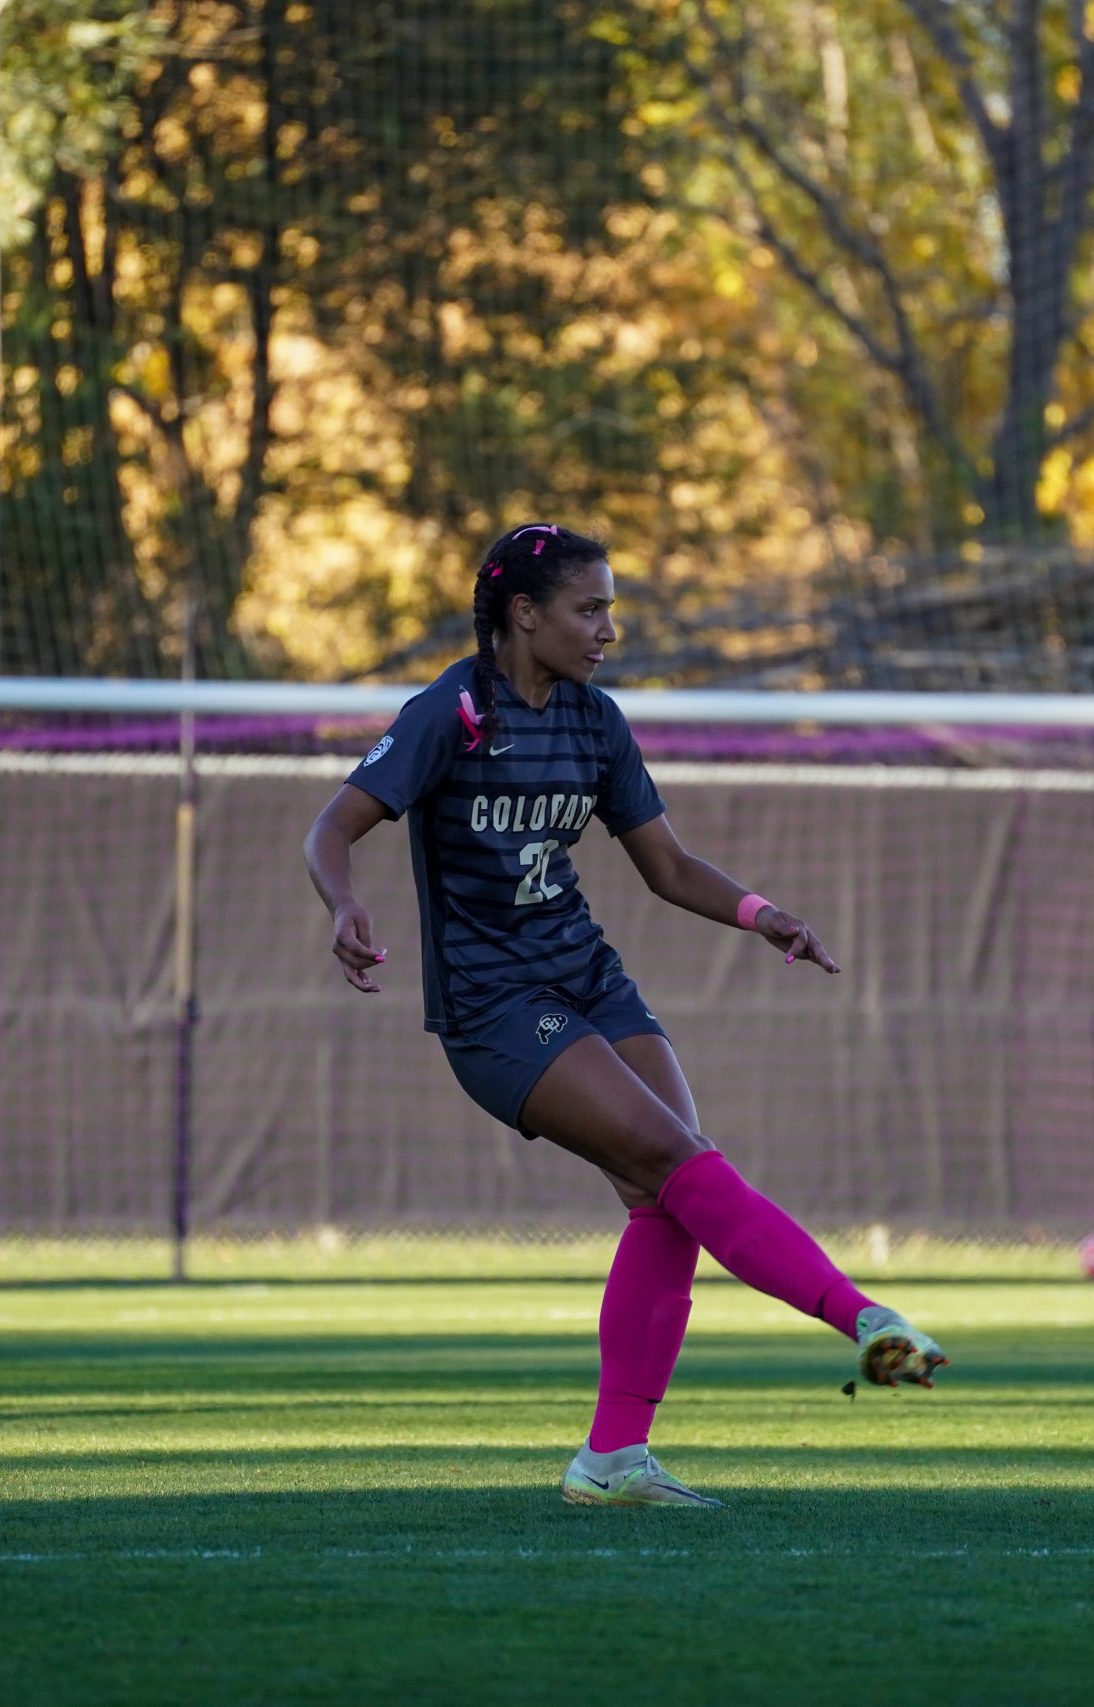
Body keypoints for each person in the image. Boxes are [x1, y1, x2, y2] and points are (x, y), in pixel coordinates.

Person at [302, 522, 947, 1509]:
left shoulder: (594, 721)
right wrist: (344, 904)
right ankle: (863, 1319)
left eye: (611, 608)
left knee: (667, 1192)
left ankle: (611, 1461)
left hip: (589, 978)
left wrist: (761, 914)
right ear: (525, 614)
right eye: (590, 608)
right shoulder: (453, 711)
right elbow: (332, 828)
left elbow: (668, 867)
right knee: (677, 1161)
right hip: (495, 1007)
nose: (609, 629)